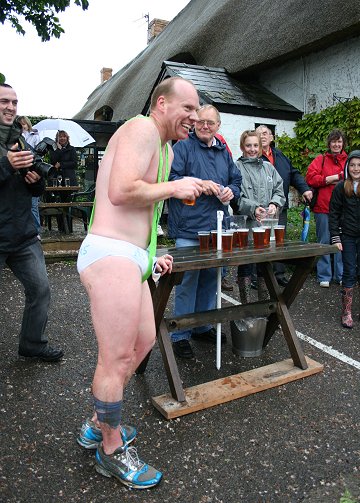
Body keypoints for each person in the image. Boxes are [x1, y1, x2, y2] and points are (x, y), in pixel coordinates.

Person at [76, 77, 203, 490]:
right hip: (109, 253)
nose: (195, 117)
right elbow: (120, 191)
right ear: (162, 103)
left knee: (143, 341)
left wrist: (150, 255)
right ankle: (110, 450)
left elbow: (142, 216)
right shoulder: (140, 128)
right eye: (188, 108)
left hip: (131, 257)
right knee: (114, 358)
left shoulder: (165, 147)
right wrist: (175, 186)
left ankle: (99, 422)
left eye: (198, 109)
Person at [167, 104, 242, 359]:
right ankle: (180, 334)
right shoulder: (183, 147)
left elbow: (236, 179)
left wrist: (233, 191)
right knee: (188, 281)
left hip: (217, 228)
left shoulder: (223, 151)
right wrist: (200, 184)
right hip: (189, 227)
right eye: (200, 121)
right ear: (195, 122)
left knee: (212, 278)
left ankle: (203, 326)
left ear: (218, 126)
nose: (205, 126)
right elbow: (170, 179)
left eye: (210, 122)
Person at [0, 84, 63, 362]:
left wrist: (36, 182)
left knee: (40, 290)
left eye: (14, 102)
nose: (10, 107)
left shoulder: (20, 140)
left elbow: (34, 189)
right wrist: (7, 165)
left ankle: (32, 344)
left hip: (22, 233)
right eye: (4, 101)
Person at [256, 125, 313, 286]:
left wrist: (304, 189)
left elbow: (293, 173)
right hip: (261, 206)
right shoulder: (253, 156)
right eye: (259, 133)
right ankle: (260, 276)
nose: (263, 136)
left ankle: (279, 274)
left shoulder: (280, 155)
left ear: (272, 137)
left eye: (266, 133)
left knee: (278, 240)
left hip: (280, 205)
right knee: (262, 240)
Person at [236, 130, 285, 303]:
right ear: (242, 146)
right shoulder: (236, 168)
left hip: (267, 229)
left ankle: (264, 306)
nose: (252, 149)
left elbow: (280, 190)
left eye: (255, 145)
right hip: (246, 229)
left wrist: (274, 203)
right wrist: (253, 208)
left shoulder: (268, 167)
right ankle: (246, 305)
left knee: (265, 266)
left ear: (261, 147)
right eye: (248, 145)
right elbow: (236, 198)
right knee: (246, 266)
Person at [305, 129, 347, 287]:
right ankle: (324, 275)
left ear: (343, 144)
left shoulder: (349, 159)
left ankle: (341, 274)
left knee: (341, 241)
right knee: (324, 241)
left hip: (344, 208)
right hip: (323, 207)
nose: (336, 144)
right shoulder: (320, 159)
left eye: (339, 141)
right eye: (334, 141)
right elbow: (310, 178)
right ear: (329, 143)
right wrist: (333, 178)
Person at [329, 150, 360, 328]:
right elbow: (333, 214)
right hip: (347, 236)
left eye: (359, 165)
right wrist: (336, 237)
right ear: (348, 167)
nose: (356, 168)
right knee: (349, 271)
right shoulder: (341, 187)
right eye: (353, 165)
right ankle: (346, 312)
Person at [18, 116, 42, 233]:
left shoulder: (35, 136)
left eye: (24, 124)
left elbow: (38, 154)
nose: (23, 126)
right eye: (20, 124)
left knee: (33, 205)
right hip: (20, 172)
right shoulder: (16, 137)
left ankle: (36, 230)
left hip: (32, 170)